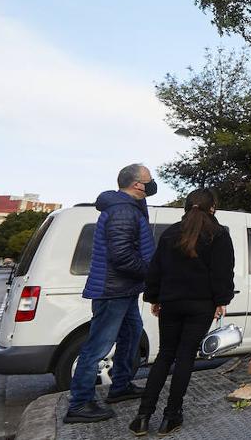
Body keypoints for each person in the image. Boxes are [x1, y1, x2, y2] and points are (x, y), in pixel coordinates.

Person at [130, 188, 235, 437]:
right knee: (185, 357)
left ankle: (143, 417)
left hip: (171, 304)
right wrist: (221, 300)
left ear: (186, 207)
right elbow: (222, 272)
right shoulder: (218, 235)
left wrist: (154, 298)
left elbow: (156, 270)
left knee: (165, 355)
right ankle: (171, 417)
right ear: (213, 208)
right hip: (201, 305)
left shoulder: (169, 234)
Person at [64, 164, 157, 424]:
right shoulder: (122, 211)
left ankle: (121, 386)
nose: (152, 184)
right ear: (138, 185)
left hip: (124, 289)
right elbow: (122, 256)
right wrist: (151, 273)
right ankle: (80, 404)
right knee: (98, 346)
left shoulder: (128, 208)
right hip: (112, 290)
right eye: (149, 180)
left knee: (131, 335)